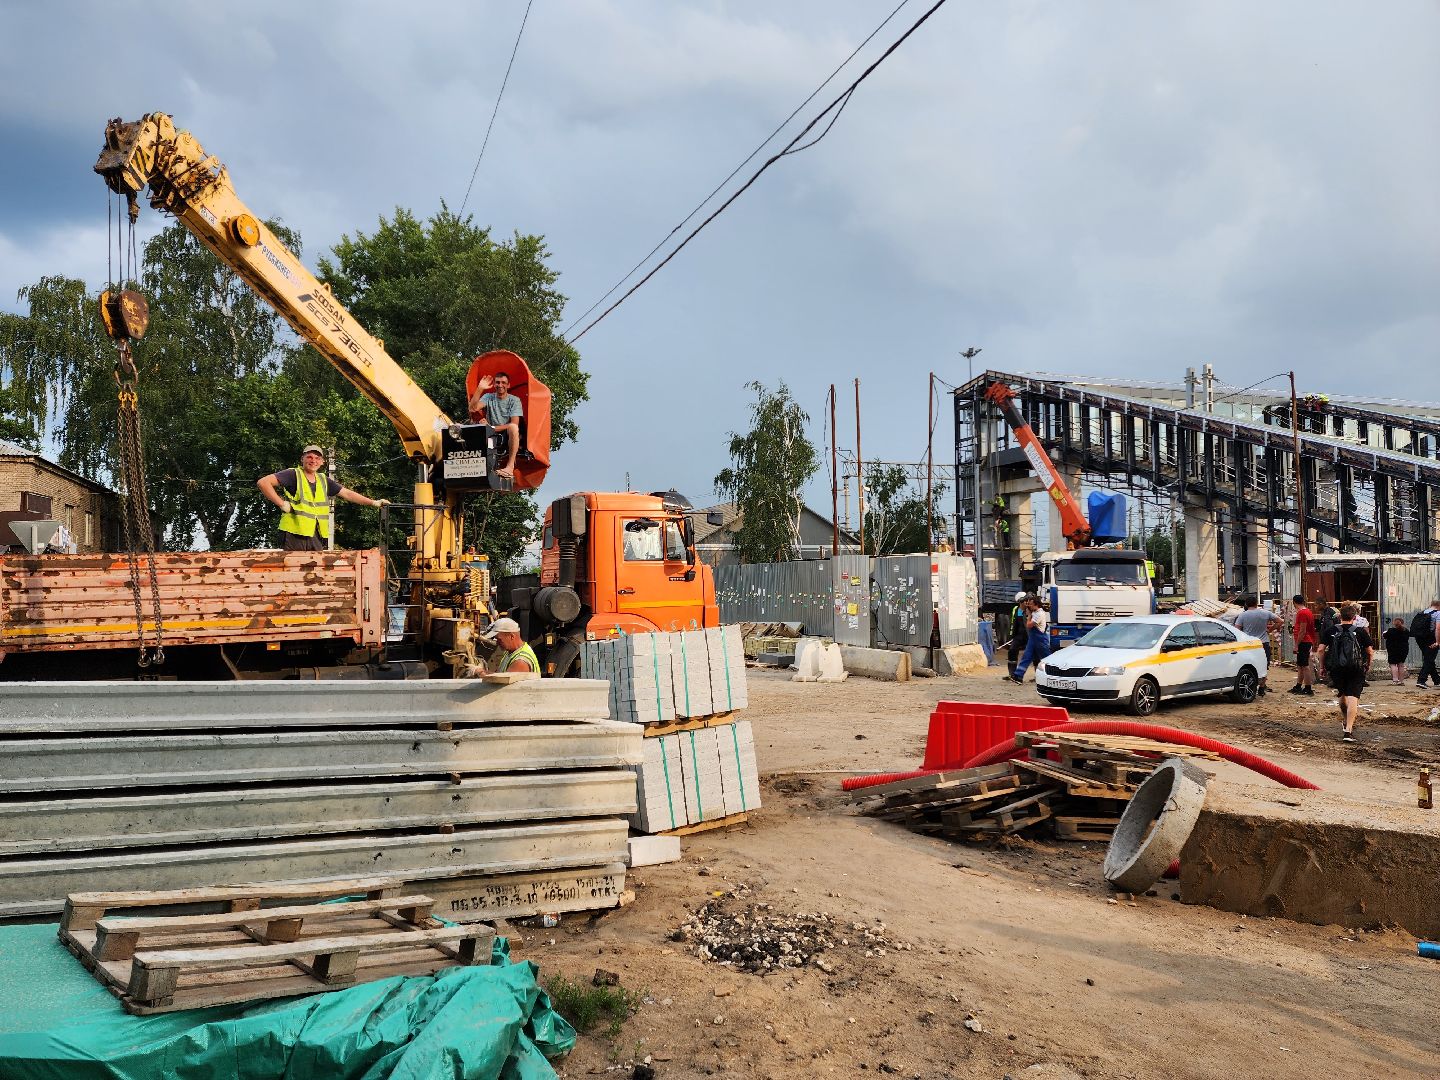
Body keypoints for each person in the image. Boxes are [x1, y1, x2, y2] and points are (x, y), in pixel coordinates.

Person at [257, 445, 389, 551]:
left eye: (317, 458)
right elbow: (263, 483)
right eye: (309, 457)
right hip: (294, 533)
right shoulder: (293, 474)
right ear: (302, 459)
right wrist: (281, 503)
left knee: (314, 575)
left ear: (322, 462)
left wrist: (373, 502)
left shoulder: (323, 480)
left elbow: (347, 494)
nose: (313, 460)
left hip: (315, 535)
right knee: (294, 574)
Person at [1317, 602, 1373, 743]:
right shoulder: (1360, 631)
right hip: (1355, 667)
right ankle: (1348, 730)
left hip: (1336, 668)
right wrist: (1368, 664)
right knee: (1353, 696)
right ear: (1354, 617)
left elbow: (1320, 650)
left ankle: (1344, 719)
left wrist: (1322, 667)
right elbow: (1370, 651)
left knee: (1342, 694)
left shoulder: (1330, 630)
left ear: (1340, 616)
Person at [468, 371, 523, 479]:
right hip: (491, 436)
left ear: (508, 385)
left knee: (513, 427)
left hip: (506, 436)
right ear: (494, 384)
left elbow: (514, 424)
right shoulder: (488, 397)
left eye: (503, 382)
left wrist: (491, 427)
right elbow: (472, 408)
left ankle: (510, 467)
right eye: (497, 382)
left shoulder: (514, 400)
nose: (500, 385)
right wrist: (480, 388)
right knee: (469, 427)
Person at [1230, 596, 1282, 696]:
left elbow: (1237, 629)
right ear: (1256, 603)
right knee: (1264, 666)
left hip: (1248, 644)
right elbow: (1280, 621)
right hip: (1263, 643)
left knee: (1248, 665)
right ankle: (1262, 687)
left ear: (1246, 604)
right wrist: (1270, 630)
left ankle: (1251, 685)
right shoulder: (1265, 613)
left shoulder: (1242, 615)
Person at [1011, 596, 1051, 684]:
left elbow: (1029, 625)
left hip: (1040, 639)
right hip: (1034, 638)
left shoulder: (1039, 613)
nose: (1029, 606)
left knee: (1047, 658)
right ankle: (1018, 676)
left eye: (1031, 604)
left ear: (1036, 604)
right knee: (1027, 656)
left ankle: (1052, 675)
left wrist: (1029, 615)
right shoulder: (1035, 612)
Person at [1288, 596, 1317, 696]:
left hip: (1304, 641)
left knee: (1304, 665)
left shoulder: (1302, 613)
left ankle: (1308, 687)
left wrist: (1296, 644)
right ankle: (1299, 685)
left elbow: (1302, 630)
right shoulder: (1306, 611)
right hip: (1305, 641)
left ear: (1294, 602)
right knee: (1301, 665)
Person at [1416, 599, 1440, 689]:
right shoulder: (1438, 613)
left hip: (1420, 638)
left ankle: (1437, 680)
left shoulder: (1423, 612)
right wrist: (1437, 642)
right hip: (1431, 639)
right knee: (1429, 659)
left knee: (1429, 658)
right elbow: (1438, 629)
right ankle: (1421, 680)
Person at [1383, 617, 1411, 685]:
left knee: (1393, 665)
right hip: (1403, 650)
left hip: (1393, 650)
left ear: (1394, 623)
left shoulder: (1391, 630)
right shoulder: (1406, 631)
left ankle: (1395, 680)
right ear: (1403, 623)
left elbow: (1384, 636)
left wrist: (1385, 633)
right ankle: (1401, 681)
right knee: (1401, 665)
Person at [1006, 591, 1027, 677]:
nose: (1024, 603)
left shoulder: (1030, 610)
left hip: (1029, 635)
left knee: (1034, 654)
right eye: (1022, 601)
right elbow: (1012, 624)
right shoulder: (1015, 610)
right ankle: (1012, 674)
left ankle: (1038, 675)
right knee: (1012, 651)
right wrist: (1010, 637)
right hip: (1018, 635)